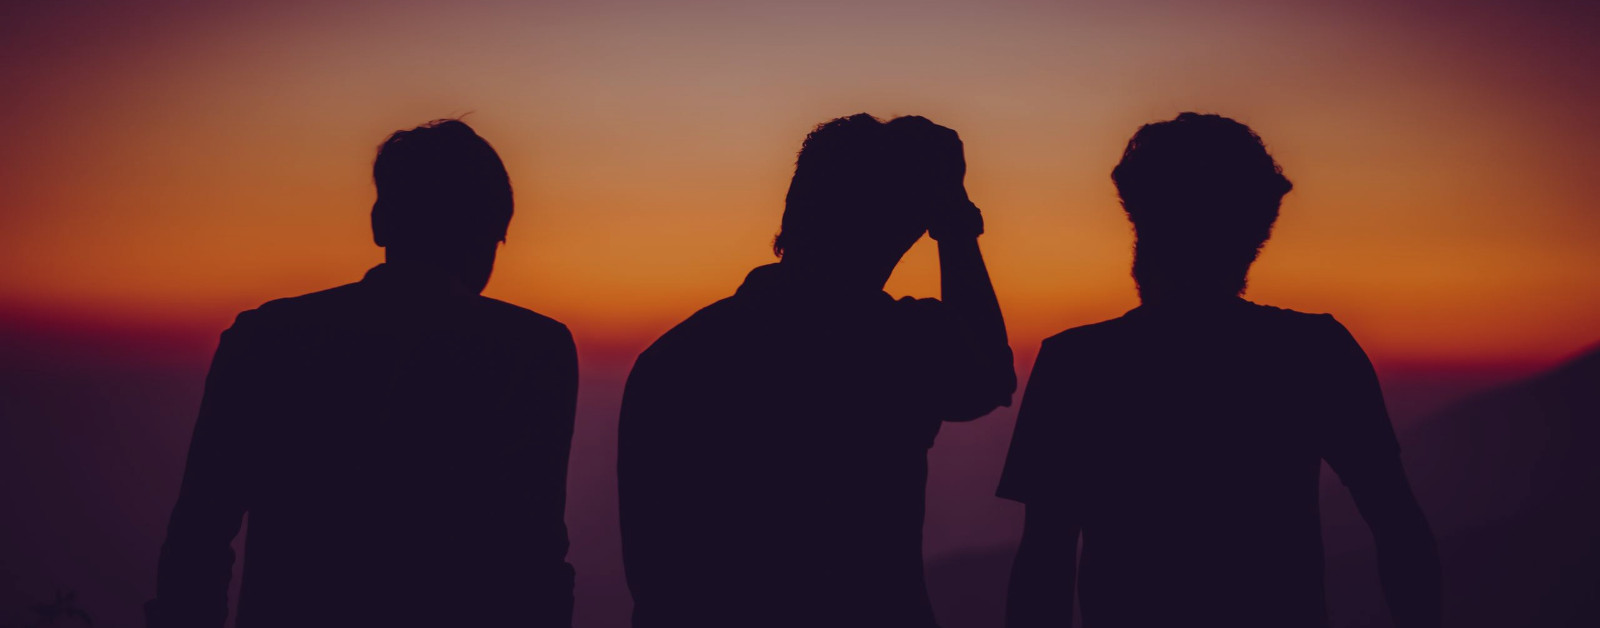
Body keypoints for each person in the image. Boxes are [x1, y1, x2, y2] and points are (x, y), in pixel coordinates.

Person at [999, 113, 1441, 628]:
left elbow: (1044, 563)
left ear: (1137, 216)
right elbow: (1398, 525)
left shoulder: (1077, 364)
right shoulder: (1315, 352)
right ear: (1259, 230)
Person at [147, 119, 578, 627]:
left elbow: (200, 534)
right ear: (490, 236)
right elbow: (535, 554)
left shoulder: (266, 339)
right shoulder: (531, 351)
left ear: (380, 223)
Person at [617, 114, 1016, 628]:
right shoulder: (891, 345)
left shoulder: (674, 356)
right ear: (894, 224)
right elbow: (987, 377)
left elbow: (654, 573)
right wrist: (956, 225)